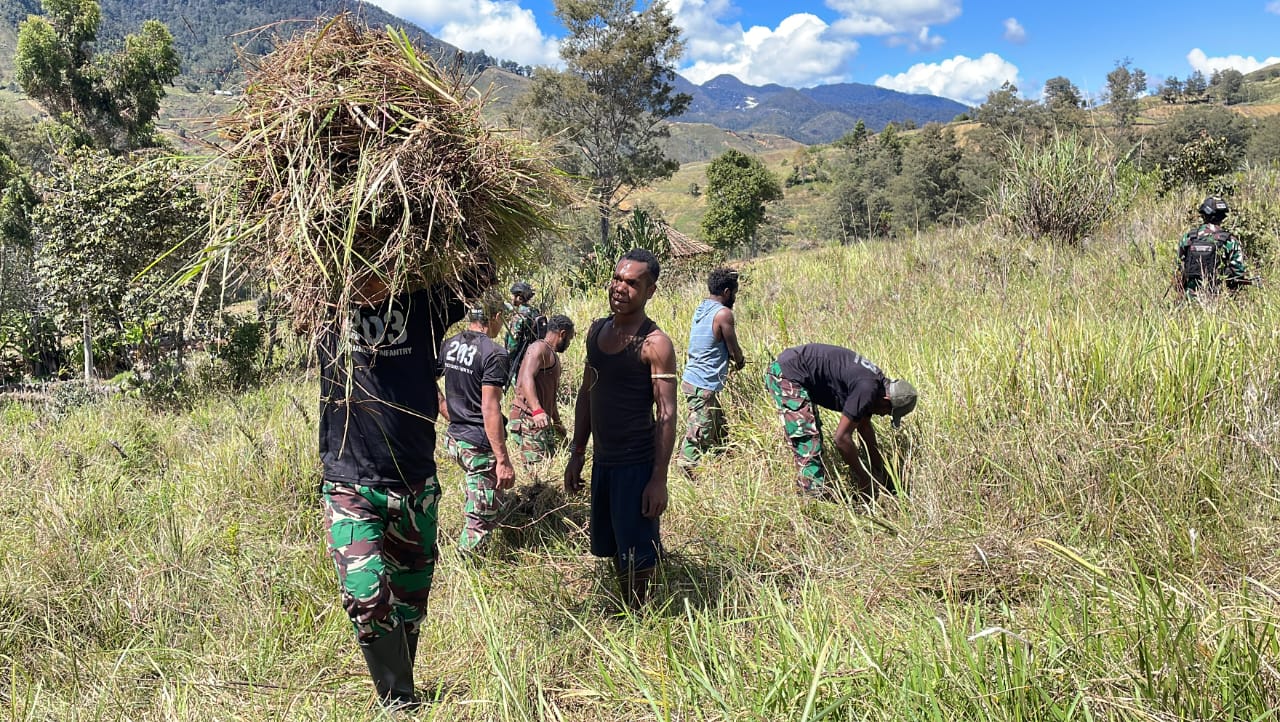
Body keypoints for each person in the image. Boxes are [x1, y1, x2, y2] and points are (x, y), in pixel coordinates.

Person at [317, 279, 471, 709]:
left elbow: (479, 267)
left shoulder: (426, 304)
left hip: (414, 483)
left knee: (409, 606)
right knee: (366, 597)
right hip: (349, 483)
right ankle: (399, 702)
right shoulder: (326, 303)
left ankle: (403, 688)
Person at [564, 248, 678, 608]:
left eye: (632, 283)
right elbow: (587, 393)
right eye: (617, 278)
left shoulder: (655, 344)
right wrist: (577, 453)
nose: (620, 287)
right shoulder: (597, 330)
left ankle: (638, 616)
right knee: (614, 545)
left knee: (638, 552)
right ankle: (627, 606)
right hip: (604, 462)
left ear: (650, 291)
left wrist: (658, 478)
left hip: (636, 464)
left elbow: (667, 413)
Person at [764, 343, 917, 500]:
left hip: (798, 375)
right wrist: (863, 477)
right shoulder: (867, 388)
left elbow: (864, 427)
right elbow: (841, 438)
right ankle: (812, 502)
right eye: (888, 412)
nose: (884, 416)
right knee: (808, 442)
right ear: (886, 400)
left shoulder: (875, 384)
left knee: (813, 434)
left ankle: (815, 494)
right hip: (786, 375)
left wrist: (880, 470)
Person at [437, 296, 515, 559]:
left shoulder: (450, 344)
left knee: (487, 497)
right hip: (478, 443)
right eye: (501, 318)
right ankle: (467, 566)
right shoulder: (494, 353)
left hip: (455, 439)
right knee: (480, 517)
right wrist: (503, 460)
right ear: (493, 318)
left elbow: (426, 378)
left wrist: (447, 409)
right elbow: (490, 408)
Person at [678, 267, 745, 473]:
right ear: (726, 292)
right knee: (700, 433)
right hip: (703, 384)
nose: (734, 297)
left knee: (719, 429)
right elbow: (734, 350)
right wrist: (740, 361)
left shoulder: (702, 308)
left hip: (695, 379)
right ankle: (686, 468)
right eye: (734, 292)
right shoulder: (723, 313)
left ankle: (722, 466)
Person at [508, 315, 576, 465]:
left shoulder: (551, 355)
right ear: (562, 334)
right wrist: (537, 410)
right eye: (569, 339)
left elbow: (549, 395)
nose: (569, 343)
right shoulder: (539, 348)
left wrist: (557, 423)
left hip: (541, 421)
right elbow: (526, 377)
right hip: (528, 418)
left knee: (549, 461)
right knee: (535, 470)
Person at [1177, 196, 1249, 299]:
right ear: (1223, 217)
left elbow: (1179, 268)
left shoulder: (1189, 237)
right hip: (1217, 299)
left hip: (1190, 299)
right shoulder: (1229, 240)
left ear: (1203, 215)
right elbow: (1238, 273)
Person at [504, 281, 539, 356]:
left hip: (520, 357)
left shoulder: (519, 316)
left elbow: (513, 344)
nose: (511, 297)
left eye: (513, 295)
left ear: (519, 297)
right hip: (532, 353)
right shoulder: (534, 311)